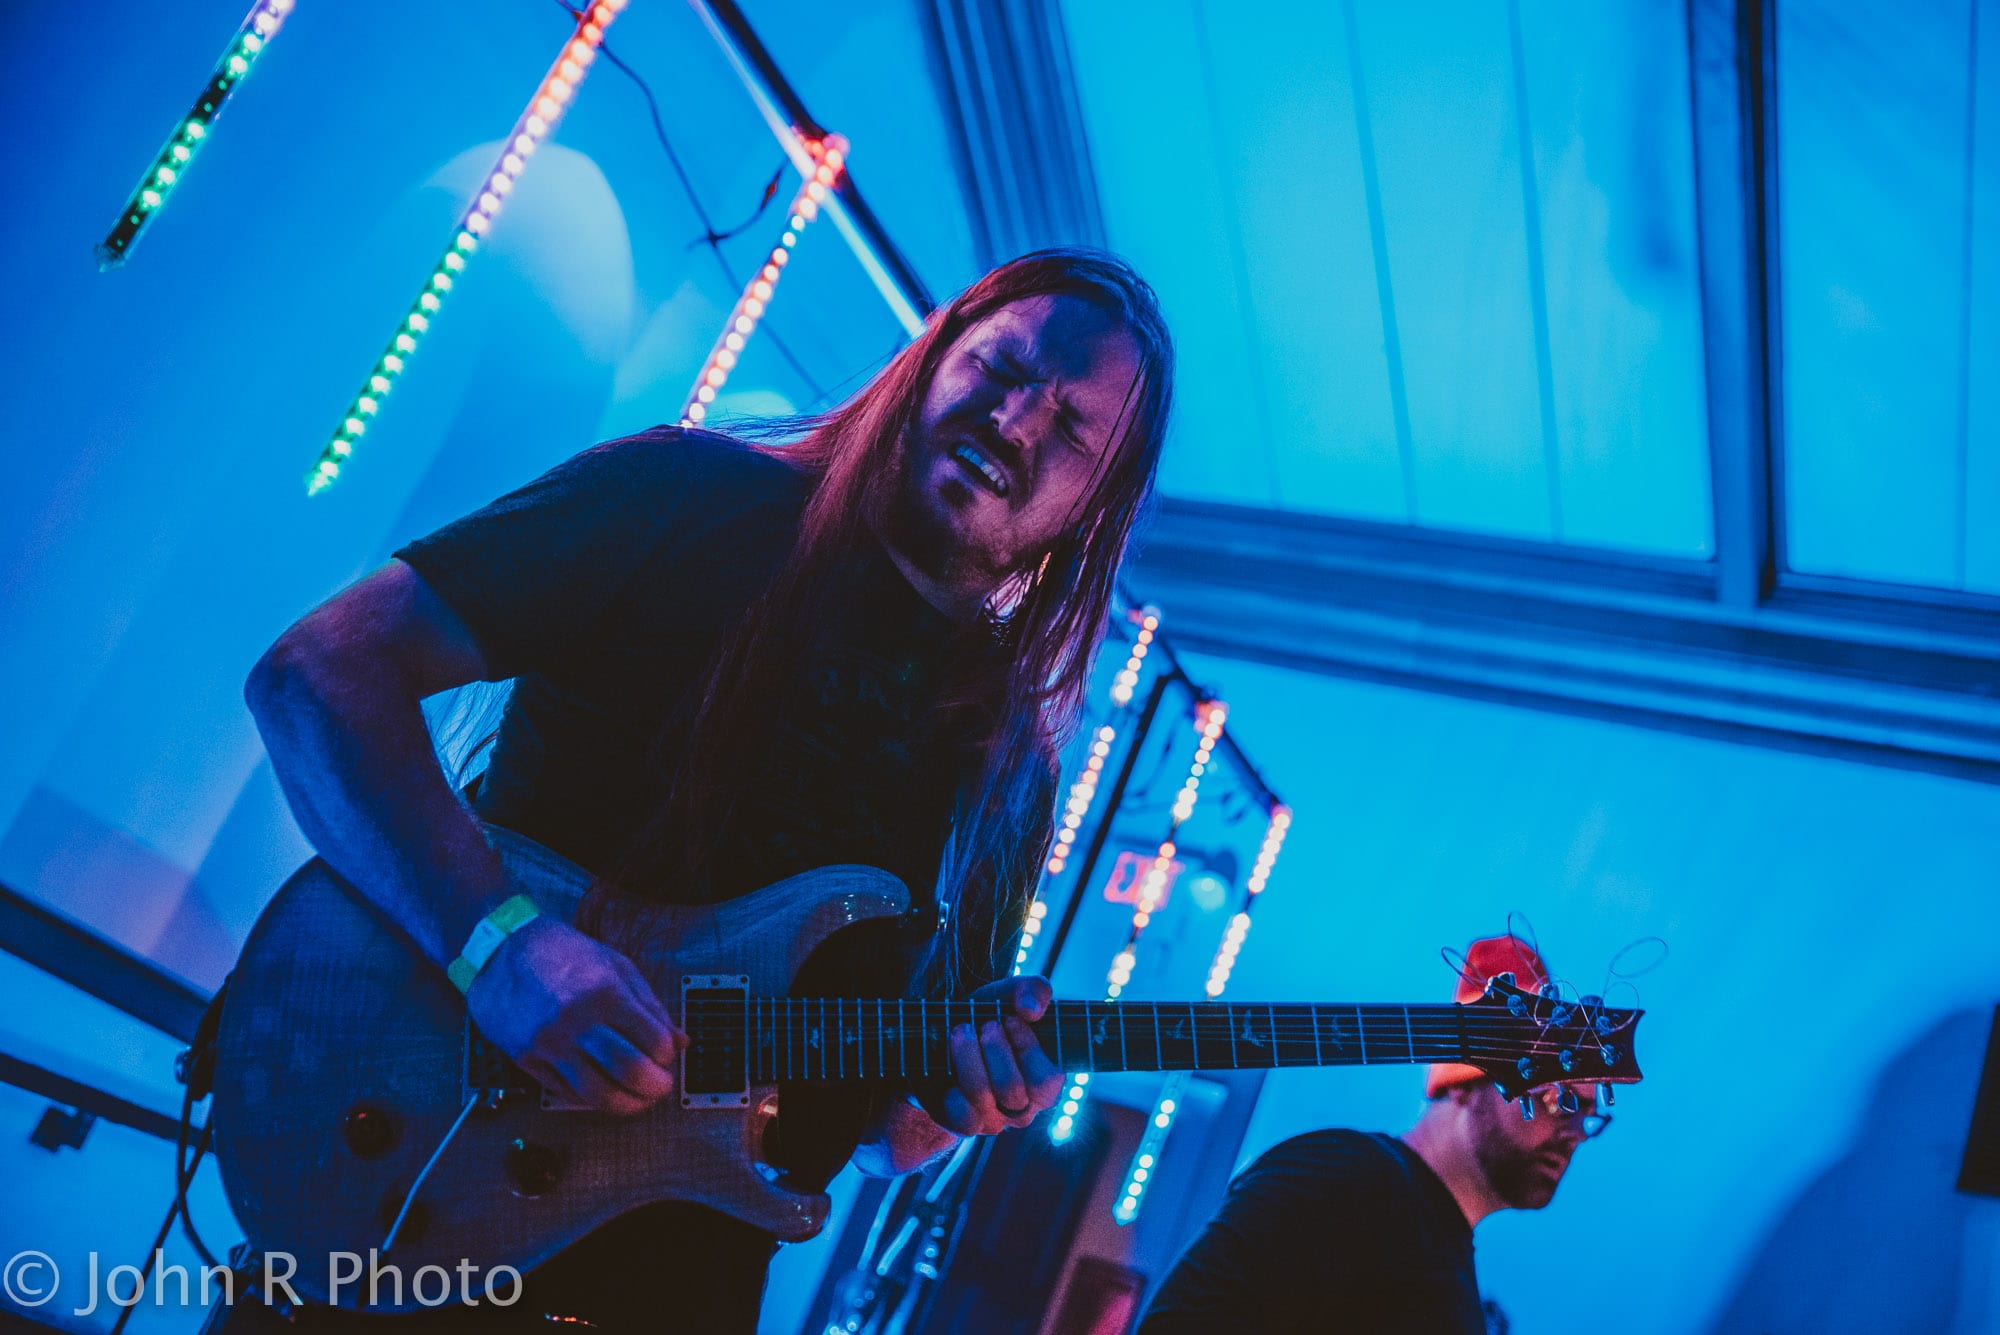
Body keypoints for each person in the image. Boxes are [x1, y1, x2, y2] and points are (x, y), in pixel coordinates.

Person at [215, 248, 1175, 1332]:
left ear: (1094, 507)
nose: (1014, 422)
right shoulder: (683, 495)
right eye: (1001, 367)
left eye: (1071, 428)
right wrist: (498, 945)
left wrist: (968, 1093)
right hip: (414, 1189)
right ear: (932, 359)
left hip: (679, 1293)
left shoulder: (1008, 770)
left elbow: (883, 1136)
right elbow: (317, 676)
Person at [1137, 936, 1613, 1335]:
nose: (1574, 1133)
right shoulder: (1344, 1178)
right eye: (1558, 1101)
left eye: (1588, 1118)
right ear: (1465, 1086)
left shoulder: (1456, 1283)